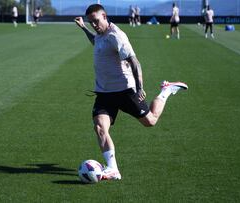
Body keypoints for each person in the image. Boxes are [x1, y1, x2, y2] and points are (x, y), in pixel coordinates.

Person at [74, 4, 188, 180]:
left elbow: (135, 62)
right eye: (91, 22)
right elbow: (95, 42)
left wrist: (140, 88)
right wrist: (84, 28)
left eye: (96, 21)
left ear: (104, 16)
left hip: (125, 91)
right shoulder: (100, 35)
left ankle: (166, 91)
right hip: (104, 93)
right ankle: (113, 169)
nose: (94, 25)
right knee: (99, 127)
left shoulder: (116, 35)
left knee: (150, 121)